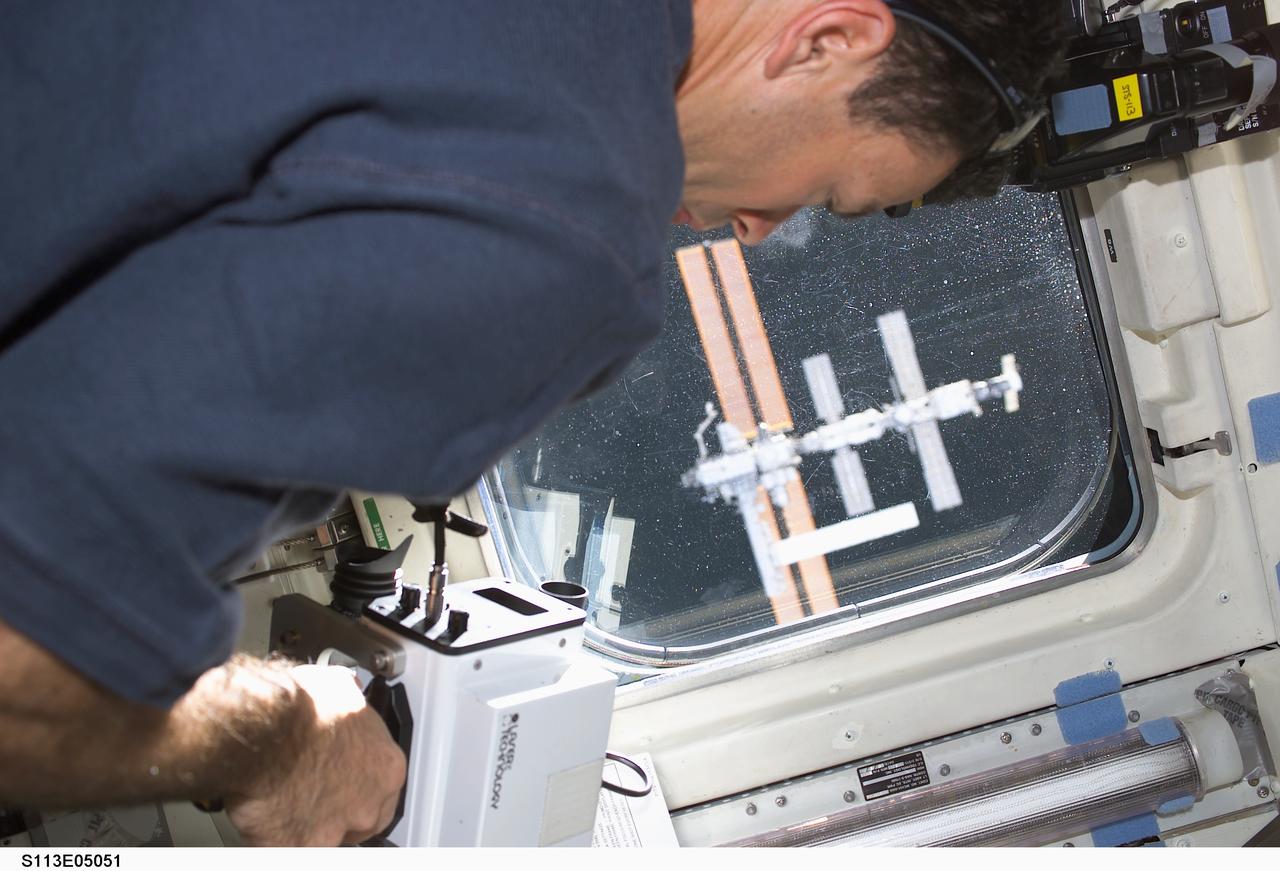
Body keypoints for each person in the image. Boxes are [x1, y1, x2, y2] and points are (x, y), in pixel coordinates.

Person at [0, 0, 1067, 846]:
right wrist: (285, 743)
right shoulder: (562, 230)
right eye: (826, 191)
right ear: (826, 38)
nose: (757, 230)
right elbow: (23, 674)